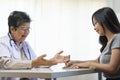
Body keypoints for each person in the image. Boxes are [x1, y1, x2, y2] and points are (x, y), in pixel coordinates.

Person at [0, 11, 70, 80]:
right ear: (12, 29)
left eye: (28, 29)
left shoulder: (25, 45)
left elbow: (37, 63)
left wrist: (51, 61)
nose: (27, 32)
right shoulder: (2, 43)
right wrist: (33, 63)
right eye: (24, 29)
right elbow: (7, 63)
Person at [65, 7, 120, 80]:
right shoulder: (109, 42)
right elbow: (97, 61)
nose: (94, 28)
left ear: (104, 21)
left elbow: (112, 68)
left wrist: (89, 64)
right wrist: (75, 62)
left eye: (95, 23)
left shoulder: (118, 38)